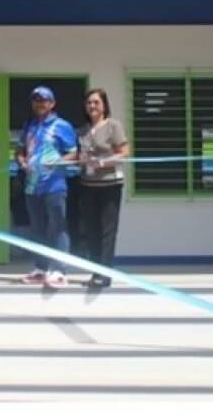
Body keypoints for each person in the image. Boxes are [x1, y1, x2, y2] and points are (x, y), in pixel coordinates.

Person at [16, 86, 78, 288]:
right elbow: (20, 151)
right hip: (32, 185)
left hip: (54, 184)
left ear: (52, 103)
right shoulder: (30, 125)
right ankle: (40, 269)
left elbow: (74, 153)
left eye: (43, 100)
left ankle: (59, 270)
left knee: (58, 226)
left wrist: (58, 161)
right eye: (36, 100)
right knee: (37, 228)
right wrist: (22, 162)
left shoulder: (62, 125)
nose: (39, 104)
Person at [78, 88, 130, 288]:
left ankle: (105, 274)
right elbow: (80, 155)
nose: (92, 106)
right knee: (91, 230)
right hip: (87, 185)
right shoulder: (82, 130)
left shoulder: (113, 126)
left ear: (104, 105)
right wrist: (81, 160)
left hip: (110, 185)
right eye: (89, 103)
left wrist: (102, 162)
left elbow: (124, 152)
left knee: (107, 230)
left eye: (96, 102)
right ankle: (95, 272)